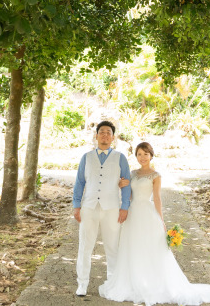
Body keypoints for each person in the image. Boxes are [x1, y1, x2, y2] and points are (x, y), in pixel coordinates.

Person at [99, 141, 210, 306]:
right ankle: (133, 281)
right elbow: (128, 194)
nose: (142, 157)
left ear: (151, 155)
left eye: (146, 154)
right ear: (136, 156)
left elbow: (158, 198)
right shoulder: (132, 173)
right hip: (133, 213)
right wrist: (121, 186)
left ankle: (153, 283)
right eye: (139, 154)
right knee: (133, 246)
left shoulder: (156, 175)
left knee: (152, 247)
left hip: (147, 212)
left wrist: (161, 220)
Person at [72, 120, 131, 297]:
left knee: (112, 247)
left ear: (113, 138)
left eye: (108, 133)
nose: (105, 135)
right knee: (85, 247)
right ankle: (82, 284)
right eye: (102, 132)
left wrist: (125, 207)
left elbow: (126, 183)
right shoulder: (86, 157)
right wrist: (76, 205)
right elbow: (79, 183)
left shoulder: (120, 158)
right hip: (89, 207)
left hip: (112, 208)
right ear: (96, 135)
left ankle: (112, 283)